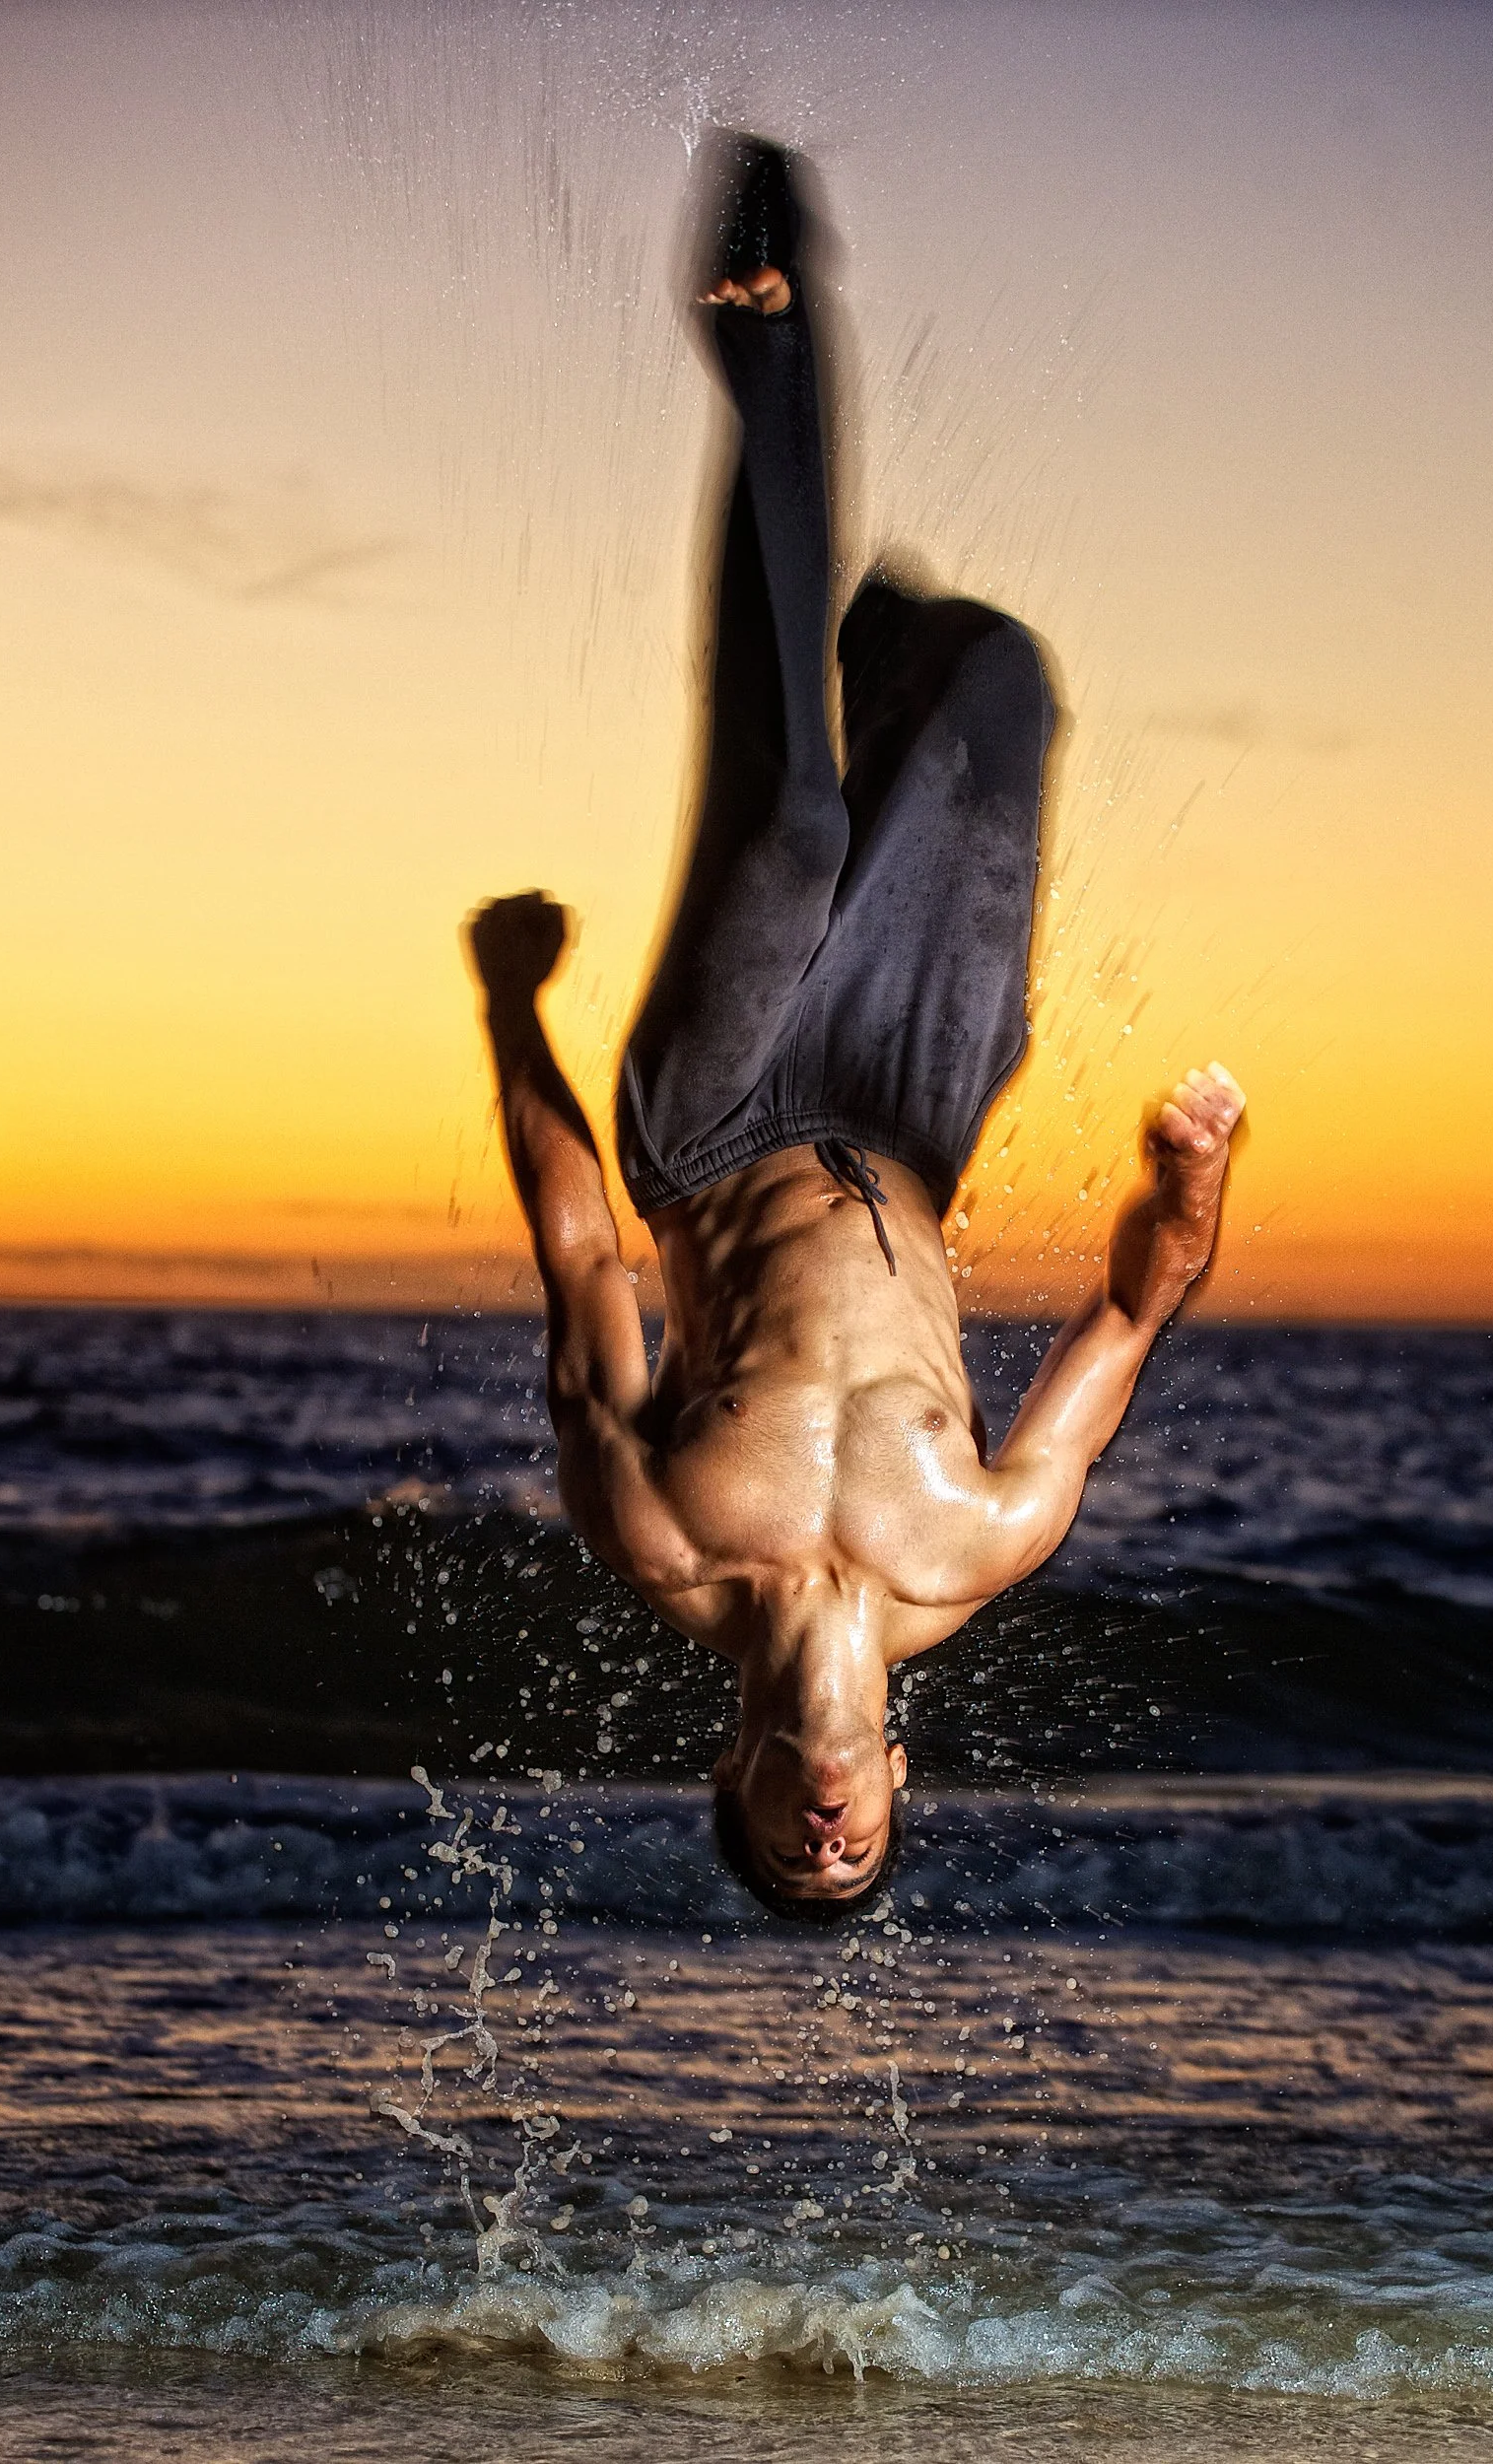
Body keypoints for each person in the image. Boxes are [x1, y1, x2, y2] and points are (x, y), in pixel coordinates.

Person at [467, 142, 1245, 1920]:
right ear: (898, 1783)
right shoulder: (986, 1537)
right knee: (994, 684)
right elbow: (1133, 1307)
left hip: (716, 1122)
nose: (826, 1837)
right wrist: (1192, 1180)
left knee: (794, 819)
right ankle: (893, 650)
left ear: (727, 1779)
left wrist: (509, 1007)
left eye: (784, 1847)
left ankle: (761, 357)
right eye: (857, 1849)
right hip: (909, 1115)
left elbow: (581, 1245)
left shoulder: (655, 1529)